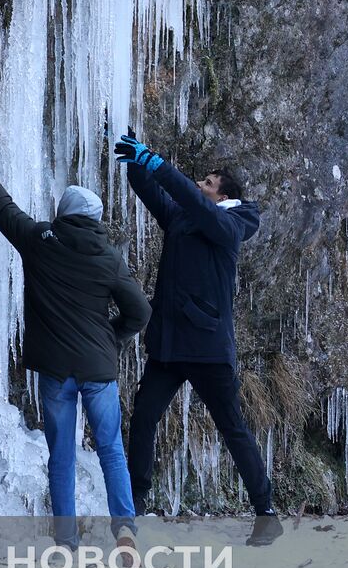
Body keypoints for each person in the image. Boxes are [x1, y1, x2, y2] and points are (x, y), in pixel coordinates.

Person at [0, 125, 151, 553]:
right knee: (111, 448)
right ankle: (125, 529)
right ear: (94, 220)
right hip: (99, 369)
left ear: (63, 212)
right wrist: (112, 339)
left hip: (57, 372)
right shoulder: (110, 259)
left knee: (61, 456)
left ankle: (67, 540)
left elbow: (0, 205)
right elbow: (140, 312)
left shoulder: (40, 240)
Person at [113, 130, 280, 541]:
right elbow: (154, 192)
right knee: (144, 418)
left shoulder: (236, 221)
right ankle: (133, 505)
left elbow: (194, 203)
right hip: (169, 347)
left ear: (222, 195)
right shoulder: (184, 216)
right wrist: (136, 159)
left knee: (233, 428)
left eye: (207, 182)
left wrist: (157, 163)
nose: (199, 185)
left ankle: (266, 512)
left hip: (207, 348)